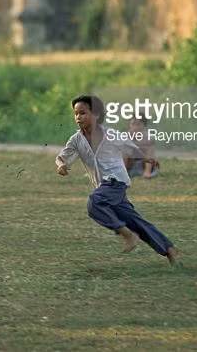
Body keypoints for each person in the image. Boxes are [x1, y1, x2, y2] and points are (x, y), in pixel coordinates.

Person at [55, 94, 178, 265]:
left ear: (96, 114)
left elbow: (130, 146)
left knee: (94, 202)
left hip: (115, 181)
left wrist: (146, 158)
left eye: (82, 113)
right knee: (134, 220)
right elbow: (62, 157)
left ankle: (127, 235)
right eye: (76, 114)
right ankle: (168, 248)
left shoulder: (110, 134)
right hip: (105, 186)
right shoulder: (76, 140)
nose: (78, 117)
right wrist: (61, 165)